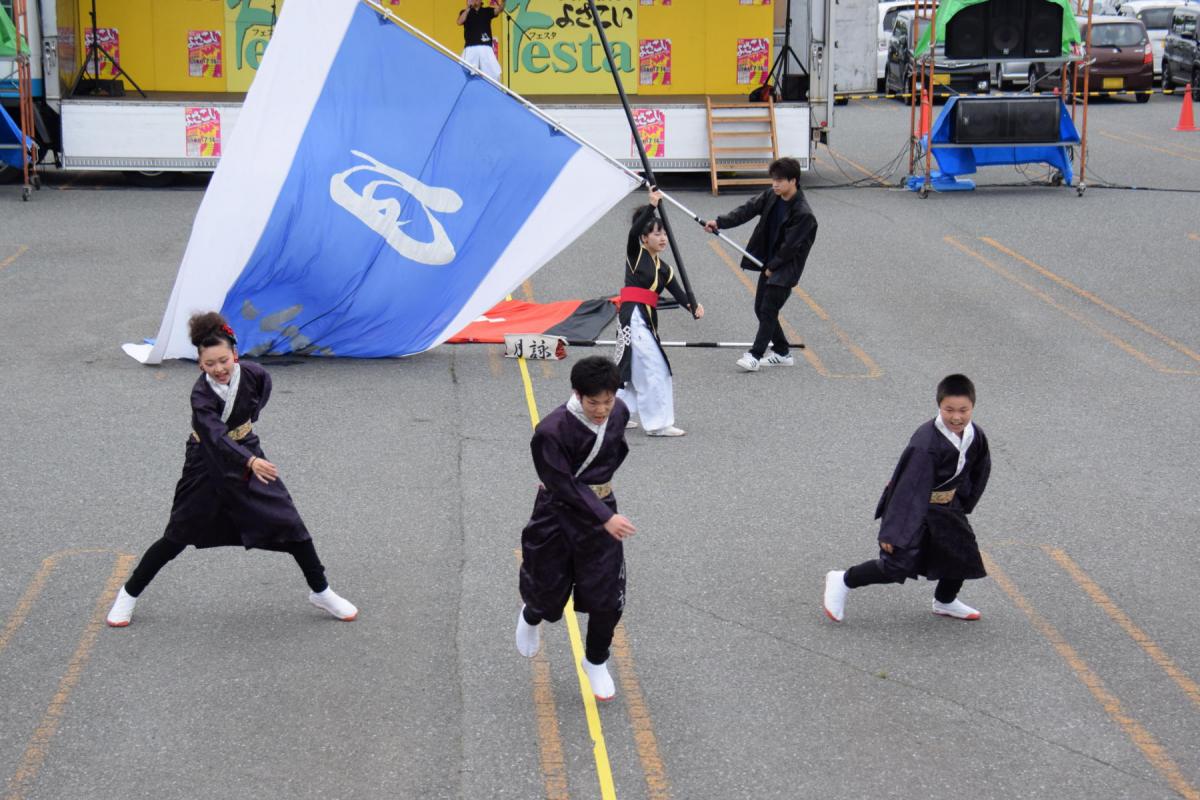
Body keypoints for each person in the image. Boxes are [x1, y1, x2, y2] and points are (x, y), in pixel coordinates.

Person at [106, 312, 357, 627]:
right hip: (205, 462)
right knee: (178, 534)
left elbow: (257, 402)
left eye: (223, 360)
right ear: (200, 364)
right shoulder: (201, 395)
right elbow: (214, 436)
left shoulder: (255, 374)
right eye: (209, 364)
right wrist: (248, 460)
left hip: (248, 452)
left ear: (235, 354)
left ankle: (321, 591)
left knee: (289, 522)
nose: (219, 369)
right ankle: (128, 594)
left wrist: (247, 445)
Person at [823, 374, 991, 623]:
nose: (956, 417)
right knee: (897, 564)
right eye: (949, 410)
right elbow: (907, 489)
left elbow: (980, 469)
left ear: (973, 407)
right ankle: (844, 579)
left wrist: (965, 502)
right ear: (939, 405)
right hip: (916, 509)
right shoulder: (926, 444)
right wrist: (892, 533)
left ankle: (945, 600)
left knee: (962, 553)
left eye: (963, 410)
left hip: (948, 506)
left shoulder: (974, 434)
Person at [515, 356, 635, 701]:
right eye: (593, 402)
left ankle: (595, 660)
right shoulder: (551, 430)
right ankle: (531, 615)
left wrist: (603, 501)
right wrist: (604, 515)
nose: (602, 409)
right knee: (548, 588)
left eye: (608, 400)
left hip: (602, 513)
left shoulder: (620, 412)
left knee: (607, 596)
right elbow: (561, 483)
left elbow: (616, 452)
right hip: (557, 514)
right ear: (577, 394)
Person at [703, 157, 817, 373]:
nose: (775, 184)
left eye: (780, 180)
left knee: (768, 308)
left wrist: (773, 266)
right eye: (773, 180)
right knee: (762, 309)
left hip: (786, 267)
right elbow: (747, 210)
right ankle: (782, 352)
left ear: (793, 181)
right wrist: (720, 222)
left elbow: (790, 247)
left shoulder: (803, 214)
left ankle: (755, 355)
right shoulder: (772, 196)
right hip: (769, 262)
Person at [616, 187, 704, 438]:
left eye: (664, 233)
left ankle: (614, 414)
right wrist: (652, 206)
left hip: (646, 319)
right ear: (644, 238)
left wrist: (693, 306)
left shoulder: (664, 268)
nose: (663, 238)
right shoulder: (636, 254)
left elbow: (679, 293)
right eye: (657, 234)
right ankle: (657, 424)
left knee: (633, 368)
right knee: (655, 368)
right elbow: (633, 232)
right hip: (633, 317)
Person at [457, 0, 502, 82]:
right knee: (464, 73)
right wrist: (468, 8)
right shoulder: (465, 12)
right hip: (470, 47)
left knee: (494, 74)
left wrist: (505, 2)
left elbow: (499, 10)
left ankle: (491, 90)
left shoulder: (487, 11)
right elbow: (459, 22)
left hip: (486, 47)